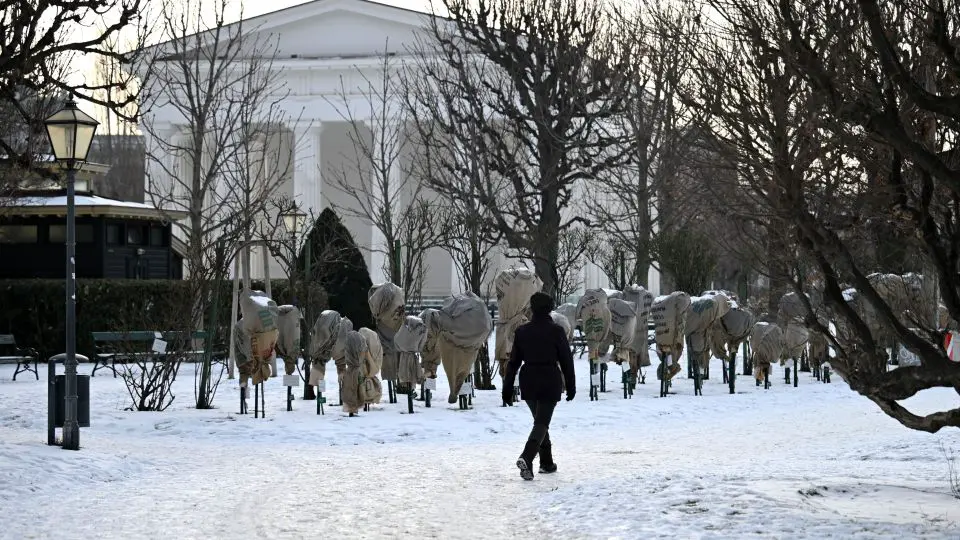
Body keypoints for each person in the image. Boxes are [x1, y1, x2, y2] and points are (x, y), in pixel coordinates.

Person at [502, 292, 576, 480]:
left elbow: (513, 362)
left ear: (531, 308)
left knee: (540, 421)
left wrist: (507, 388)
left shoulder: (522, 331)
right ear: (550, 308)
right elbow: (566, 360)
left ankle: (546, 462)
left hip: (528, 380)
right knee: (542, 422)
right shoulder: (557, 331)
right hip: (549, 378)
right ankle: (527, 456)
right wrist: (571, 385)